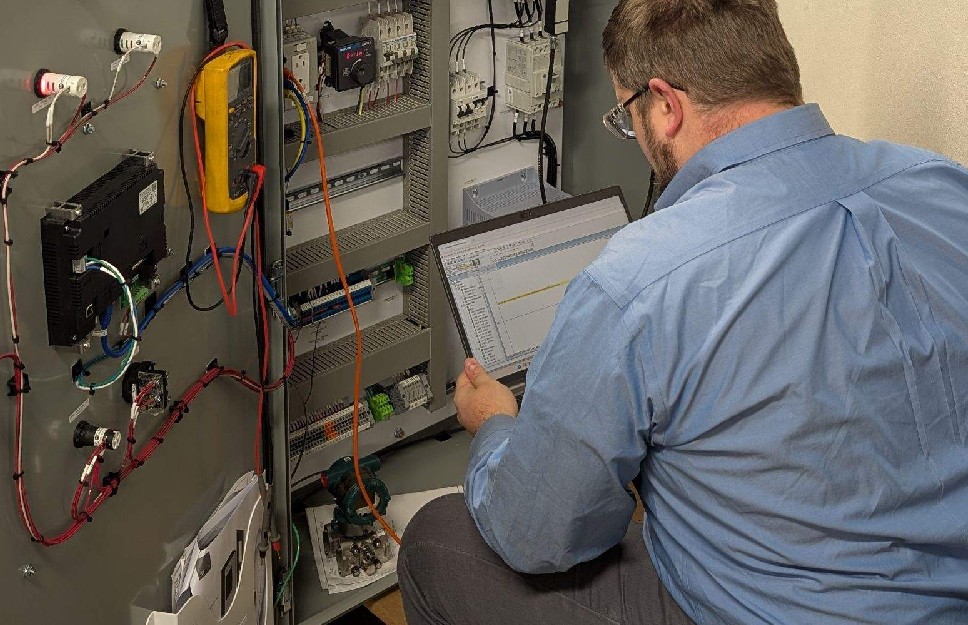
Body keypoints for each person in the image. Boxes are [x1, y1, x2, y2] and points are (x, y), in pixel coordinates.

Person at [398, 0, 968, 623]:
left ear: (665, 105)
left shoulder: (640, 277)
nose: (635, 136)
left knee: (438, 540)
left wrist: (496, 426)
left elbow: (541, 533)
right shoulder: (942, 185)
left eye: (627, 116)